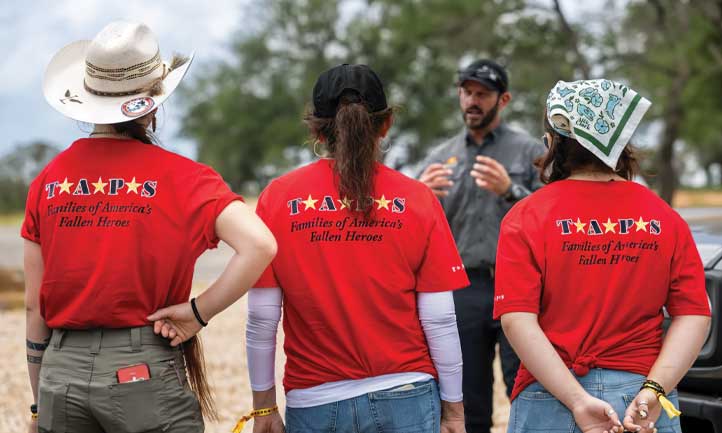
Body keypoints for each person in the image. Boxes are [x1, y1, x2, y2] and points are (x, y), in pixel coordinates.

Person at [23, 21, 276, 433]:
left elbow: (36, 308)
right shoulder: (187, 179)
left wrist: (38, 408)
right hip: (143, 369)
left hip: (60, 375)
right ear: (152, 105)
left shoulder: (47, 181)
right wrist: (199, 312)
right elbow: (260, 245)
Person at [242, 64, 469, 433]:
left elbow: (263, 319)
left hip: (315, 401)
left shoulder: (278, 198)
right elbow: (440, 318)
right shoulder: (418, 199)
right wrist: (455, 411)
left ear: (316, 128)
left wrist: (264, 409)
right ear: (386, 124)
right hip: (407, 395)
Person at [494, 79, 712, 433]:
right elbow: (695, 315)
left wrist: (578, 400)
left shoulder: (527, 215)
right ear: (622, 142)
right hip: (640, 401)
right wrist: (654, 391)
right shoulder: (664, 216)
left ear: (553, 142)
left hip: (550, 396)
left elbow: (516, 320)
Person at [417, 59, 545, 433]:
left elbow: (552, 216)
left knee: (526, 386)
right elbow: (412, 228)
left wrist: (511, 190)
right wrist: (419, 196)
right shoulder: (439, 158)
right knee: (466, 396)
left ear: (503, 99)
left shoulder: (528, 152)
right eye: (467, 92)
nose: (472, 101)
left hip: (517, 285)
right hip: (461, 290)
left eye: (483, 94)